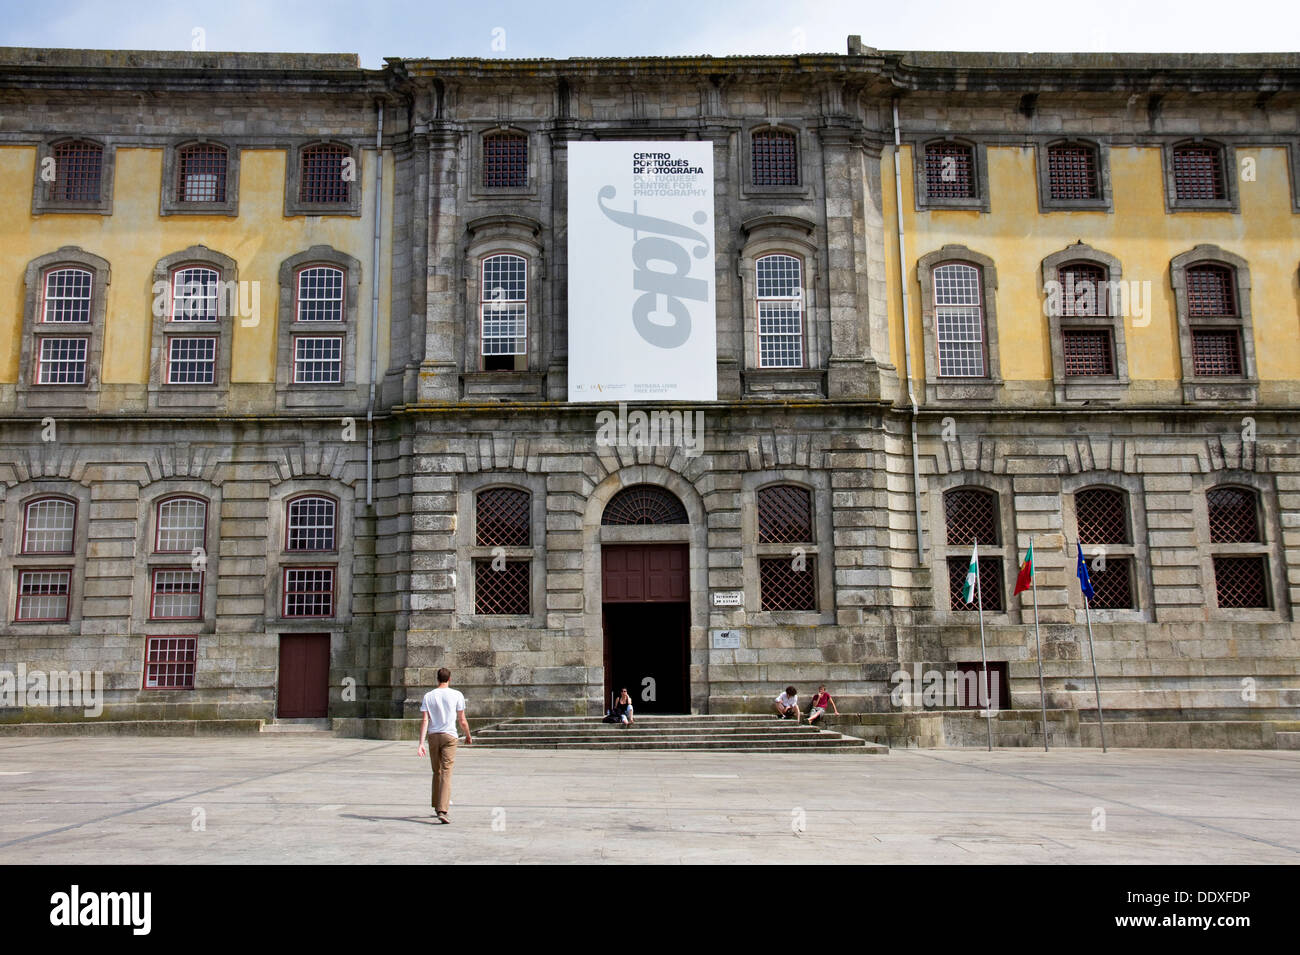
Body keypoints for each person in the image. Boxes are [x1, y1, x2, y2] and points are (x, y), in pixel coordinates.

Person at [416, 667, 471, 824]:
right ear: (450, 679)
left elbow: (425, 720)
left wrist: (421, 743)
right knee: (446, 772)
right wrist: (468, 735)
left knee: (436, 771)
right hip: (449, 736)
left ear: (437, 679)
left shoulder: (429, 696)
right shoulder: (456, 695)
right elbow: (462, 720)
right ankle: (442, 809)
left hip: (433, 736)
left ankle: (436, 804)